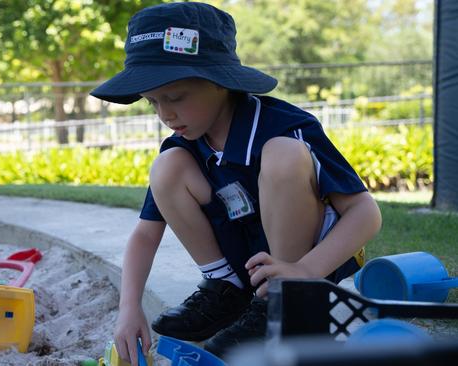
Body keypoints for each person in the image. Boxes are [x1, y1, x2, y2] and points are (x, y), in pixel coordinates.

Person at [90, 1, 382, 363]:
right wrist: (129, 307)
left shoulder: (284, 128)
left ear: (219, 83)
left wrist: (304, 271)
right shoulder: (187, 146)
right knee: (167, 166)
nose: (165, 114)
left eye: (176, 97)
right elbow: (145, 234)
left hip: (306, 269)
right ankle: (225, 290)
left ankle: (285, 303)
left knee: (283, 154)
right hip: (245, 265)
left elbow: (365, 212)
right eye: (152, 103)